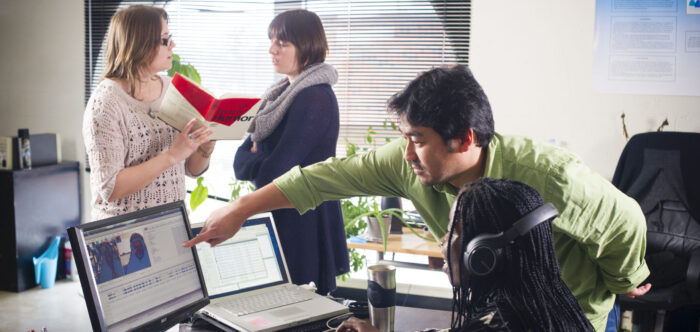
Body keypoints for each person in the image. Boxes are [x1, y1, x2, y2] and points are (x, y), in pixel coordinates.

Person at [184, 65, 650, 331]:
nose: (405, 153)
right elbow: (324, 179)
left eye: (419, 139)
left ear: (465, 139)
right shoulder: (409, 162)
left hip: (568, 313)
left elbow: (625, 221)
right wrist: (240, 208)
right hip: (493, 316)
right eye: (404, 136)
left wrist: (626, 279)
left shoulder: (547, 176)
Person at [339, 178, 595, 332]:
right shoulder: (546, 304)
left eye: (451, 230)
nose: (443, 240)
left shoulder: (498, 324)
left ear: (482, 254)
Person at [232, 9, 348, 295]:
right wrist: (261, 157)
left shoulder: (315, 97)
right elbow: (238, 164)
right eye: (272, 41)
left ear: (307, 47)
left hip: (303, 221)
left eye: (281, 44)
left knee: (299, 310)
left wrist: (257, 156)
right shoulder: (279, 94)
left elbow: (272, 175)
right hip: (283, 211)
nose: (271, 49)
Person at [83, 5, 214, 221]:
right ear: (139, 44)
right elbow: (110, 187)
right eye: (164, 40)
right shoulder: (105, 103)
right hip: (122, 234)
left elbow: (191, 170)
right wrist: (172, 155)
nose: (172, 45)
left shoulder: (175, 90)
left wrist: (204, 150)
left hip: (173, 225)